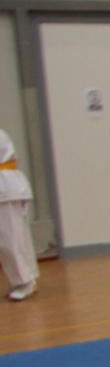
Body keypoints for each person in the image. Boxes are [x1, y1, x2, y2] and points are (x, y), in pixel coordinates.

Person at [0, 128, 39, 301]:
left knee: (11, 240)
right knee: (12, 239)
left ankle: (26, 282)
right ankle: (24, 279)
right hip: (7, 189)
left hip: (6, 189)